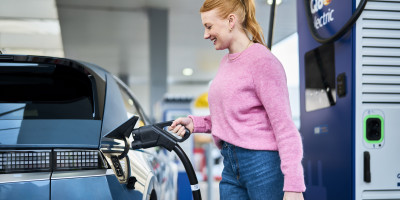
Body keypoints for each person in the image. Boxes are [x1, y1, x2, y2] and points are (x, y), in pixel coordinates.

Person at [169, 0, 306, 199]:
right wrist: (194, 123)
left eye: (209, 26)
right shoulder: (226, 62)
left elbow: (285, 128)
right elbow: (231, 116)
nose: (205, 35)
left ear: (231, 21)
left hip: (262, 164)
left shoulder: (263, 61)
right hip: (230, 164)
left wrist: (294, 186)